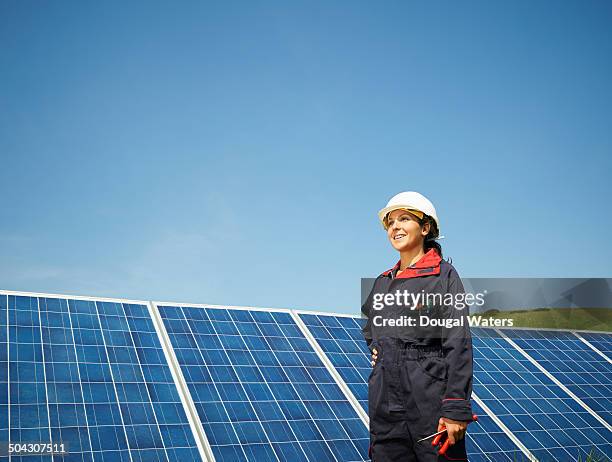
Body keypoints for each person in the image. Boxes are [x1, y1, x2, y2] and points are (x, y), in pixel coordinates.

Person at [361, 191, 474, 461]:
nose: (395, 227)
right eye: (390, 222)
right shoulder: (382, 282)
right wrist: (377, 348)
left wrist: (455, 408)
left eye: (404, 219)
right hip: (385, 400)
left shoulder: (443, 275)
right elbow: (370, 325)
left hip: (429, 398)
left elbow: (457, 341)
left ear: (425, 228)